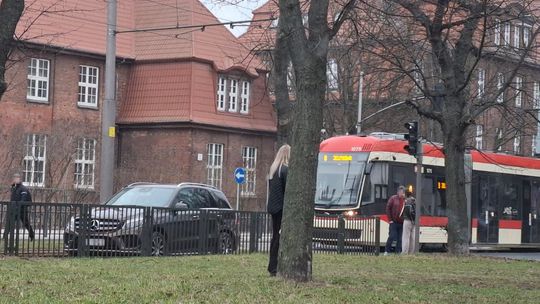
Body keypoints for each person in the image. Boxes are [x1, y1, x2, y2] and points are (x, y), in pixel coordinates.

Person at [266, 144, 290, 276]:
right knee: (278, 237)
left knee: (275, 236)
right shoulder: (285, 170)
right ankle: (274, 267)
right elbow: (287, 191)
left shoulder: (273, 170)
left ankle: (272, 266)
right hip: (281, 208)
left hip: (273, 207)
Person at [10, 173, 35, 241]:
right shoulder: (14, 187)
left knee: (26, 223)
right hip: (15, 208)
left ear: (20, 179)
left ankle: (32, 235)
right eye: (15, 178)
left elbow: (23, 199)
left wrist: (18, 206)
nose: (16, 179)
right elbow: (13, 198)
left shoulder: (23, 188)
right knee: (10, 222)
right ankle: (5, 236)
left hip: (22, 209)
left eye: (17, 178)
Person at [384, 185, 405, 255]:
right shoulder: (393, 198)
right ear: (398, 192)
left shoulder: (405, 200)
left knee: (400, 238)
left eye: (403, 192)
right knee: (392, 236)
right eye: (401, 192)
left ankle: (398, 251)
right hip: (394, 221)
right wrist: (390, 220)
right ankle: (387, 251)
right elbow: (388, 208)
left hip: (401, 222)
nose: (402, 193)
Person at [401, 189, 416, 254]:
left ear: (406, 194)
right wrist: (414, 220)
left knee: (405, 237)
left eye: (404, 193)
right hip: (414, 221)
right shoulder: (414, 200)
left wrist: (411, 220)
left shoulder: (407, 201)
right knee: (412, 237)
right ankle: (411, 252)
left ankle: (404, 252)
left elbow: (409, 211)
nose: (403, 195)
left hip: (408, 220)